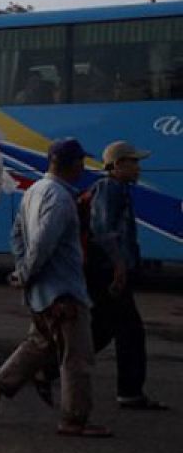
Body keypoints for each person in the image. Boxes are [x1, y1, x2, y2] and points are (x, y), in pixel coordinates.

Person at [0, 138, 111, 437]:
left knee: (39, 344)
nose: (83, 167)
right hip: (63, 291)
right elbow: (43, 244)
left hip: (44, 291)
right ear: (73, 164)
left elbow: (17, 235)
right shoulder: (60, 198)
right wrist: (26, 273)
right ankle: (74, 419)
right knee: (76, 357)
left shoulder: (34, 191)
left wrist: (24, 271)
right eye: (80, 162)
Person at [86, 141, 167, 410]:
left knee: (102, 330)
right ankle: (130, 392)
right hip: (109, 272)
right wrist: (120, 266)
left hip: (112, 270)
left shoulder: (119, 189)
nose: (138, 167)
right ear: (118, 165)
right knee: (130, 331)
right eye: (133, 162)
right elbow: (103, 230)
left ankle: (44, 368)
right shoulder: (109, 189)